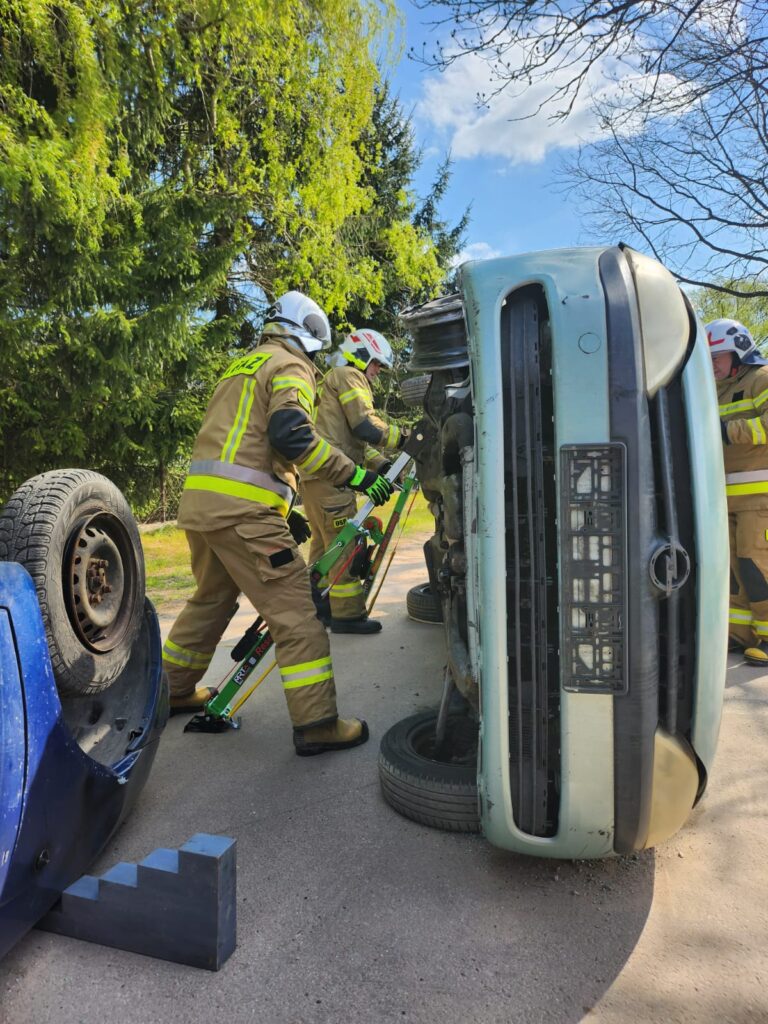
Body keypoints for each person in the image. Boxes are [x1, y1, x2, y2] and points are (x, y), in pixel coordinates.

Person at [162, 291, 393, 754]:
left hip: (204, 508)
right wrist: (358, 474)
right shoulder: (290, 365)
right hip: (244, 513)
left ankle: (172, 690)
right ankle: (318, 724)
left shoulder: (242, 365)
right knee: (298, 617)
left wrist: (284, 510)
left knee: (210, 601)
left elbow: (240, 444)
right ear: (302, 329)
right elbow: (291, 435)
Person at [301, 329, 409, 635]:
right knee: (345, 547)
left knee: (326, 549)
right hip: (332, 478)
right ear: (360, 355)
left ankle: (319, 609)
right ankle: (347, 615)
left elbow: (348, 440)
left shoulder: (333, 378)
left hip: (316, 478)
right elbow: (365, 426)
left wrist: (381, 463)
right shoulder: (350, 375)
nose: (376, 372)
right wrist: (405, 439)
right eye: (376, 364)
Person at [709, 317, 768, 666]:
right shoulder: (717, 391)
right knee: (732, 568)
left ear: (739, 351)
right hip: (726, 497)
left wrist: (726, 431)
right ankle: (741, 632)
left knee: (756, 563)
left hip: (759, 498)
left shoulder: (762, 379)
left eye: (718, 356)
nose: (713, 364)